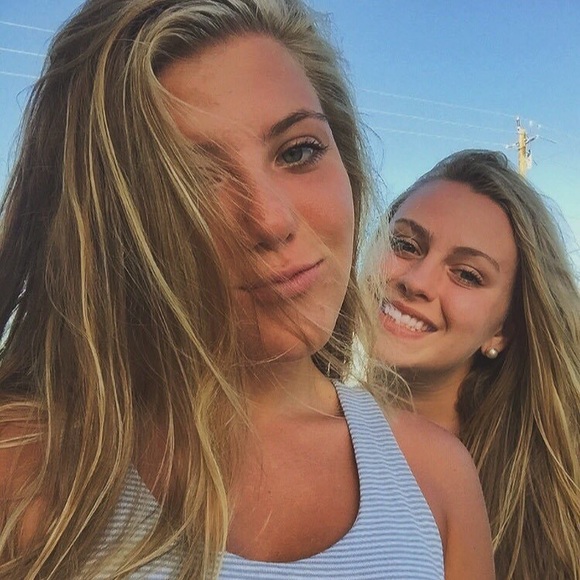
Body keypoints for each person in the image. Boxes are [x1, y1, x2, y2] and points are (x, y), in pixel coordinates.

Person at [0, 2, 494, 578]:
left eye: (298, 151)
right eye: (190, 183)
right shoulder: (26, 466)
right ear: (110, 229)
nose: (269, 219)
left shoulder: (436, 477)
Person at [364, 149, 580, 579]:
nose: (416, 281)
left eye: (466, 274)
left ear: (502, 331)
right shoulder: (289, 423)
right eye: (405, 245)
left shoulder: (552, 494)